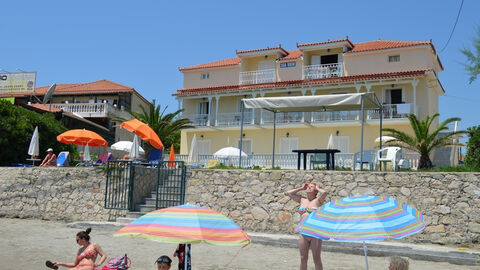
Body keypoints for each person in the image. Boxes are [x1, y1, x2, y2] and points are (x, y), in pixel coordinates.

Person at [285, 182, 327, 270]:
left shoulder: (318, 200)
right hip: (303, 233)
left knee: (316, 259)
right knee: (303, 258)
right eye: (308, 186)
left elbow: (324, 193)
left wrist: (318, 187)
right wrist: (301, 188)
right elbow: (289, 193)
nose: (309, 188)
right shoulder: (302, 200)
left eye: (312, 187)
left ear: (316, 191)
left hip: (315, 233)